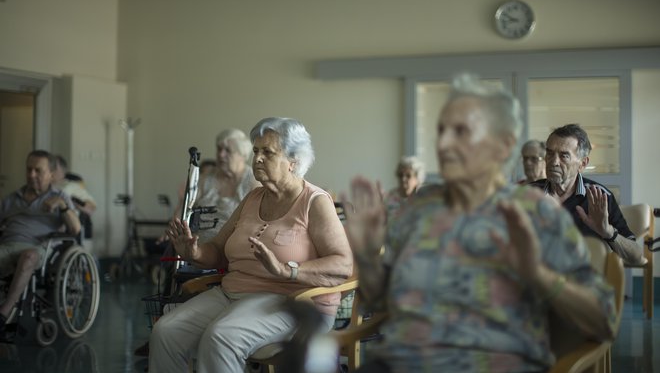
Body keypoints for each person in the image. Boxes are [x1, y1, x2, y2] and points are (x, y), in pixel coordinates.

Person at [343, 77, 616, 373]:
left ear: (503, 145)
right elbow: (381, 301)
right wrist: (369, 256)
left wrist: (537, 274)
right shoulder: (423, 208)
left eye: (462, 132)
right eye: (442, 131)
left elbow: (602, 321)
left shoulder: (536, 213)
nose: (445, 144)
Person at [149, 117, 353, 373]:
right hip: (234, 294)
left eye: (267, 152)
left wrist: (287, 270)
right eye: (256, 151)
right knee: (166, 331)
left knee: (221, 336)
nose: (257, 158)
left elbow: (342, 265)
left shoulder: (314, 202)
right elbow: (219, 251)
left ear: (294, 161)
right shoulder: (253, 197)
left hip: (292, 301)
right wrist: (195, 252)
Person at [530, 123, 643, 266]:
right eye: (550, 153)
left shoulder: (600, 197)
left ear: (582, 164)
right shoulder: (527, 194)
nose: (554, 162)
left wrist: (608, 232)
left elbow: (636, 256)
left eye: (564, 155)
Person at [0, 150, 81, 331]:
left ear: (51, 175)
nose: (31, 175)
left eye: (38, 170)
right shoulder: (12, 199)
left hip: (39, 249)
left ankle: (3, 314)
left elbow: (76, 229)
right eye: (29, 170)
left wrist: (62, 207)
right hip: (6, 245)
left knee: (28, 257)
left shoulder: (60, 197)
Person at [172, 128, 259, 244]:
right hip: (199, 247)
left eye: (228, 150)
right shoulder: (207, 177)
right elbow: (184, 207)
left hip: (234, 248)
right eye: (219, 149)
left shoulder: (254, 181)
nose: (221, 154)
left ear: (242, 155)